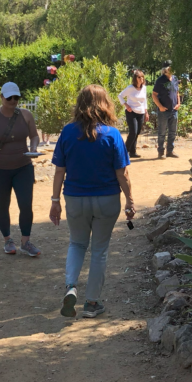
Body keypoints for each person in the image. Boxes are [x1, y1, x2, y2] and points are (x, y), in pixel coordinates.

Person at [49, 85, 136, 318]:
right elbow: (122, 173)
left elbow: (60, 171)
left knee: (76, 244)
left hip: (75, 199)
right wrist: (130, 200)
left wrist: (55, 200)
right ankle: (92, 303)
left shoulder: (67, 132)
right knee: (99, 250)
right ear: (105, 104)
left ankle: (71, 287)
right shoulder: (112, 134)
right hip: (106, 199)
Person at [0, 82, 41, 256]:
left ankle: (26, 241)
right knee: (2, 205)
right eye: (9, 98)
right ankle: (8, 240)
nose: (13, 101)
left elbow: (34, 136)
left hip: (23, 167)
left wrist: (34, 148)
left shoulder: (26, 115)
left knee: (26, 204)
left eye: (16, 97)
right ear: (1, 97)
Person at [151, 61, 180, 159]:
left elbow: (177, 93)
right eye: (169, 68)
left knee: (172, 132)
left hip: (174, 110)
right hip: (163, 111)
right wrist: (160, 106)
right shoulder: (160, 80)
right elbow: (154, 95)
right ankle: (161, 152)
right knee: (162, 132)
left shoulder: (175, 79)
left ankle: (170, 151)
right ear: (165, 69)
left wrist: (178, 103)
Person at [118, 70, 148, 157]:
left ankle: (133, 152)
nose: (141, 79)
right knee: (133, 132)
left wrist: (146, 112)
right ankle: (124, 152)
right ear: (135, 78)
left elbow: (145, 100)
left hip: (141, 112)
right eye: (139, 77)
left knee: (137, 132)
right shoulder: (130, 88)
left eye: (142, 77)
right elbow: (120, 96)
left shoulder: (144, 88)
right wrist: (126, 105)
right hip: (131, 112)